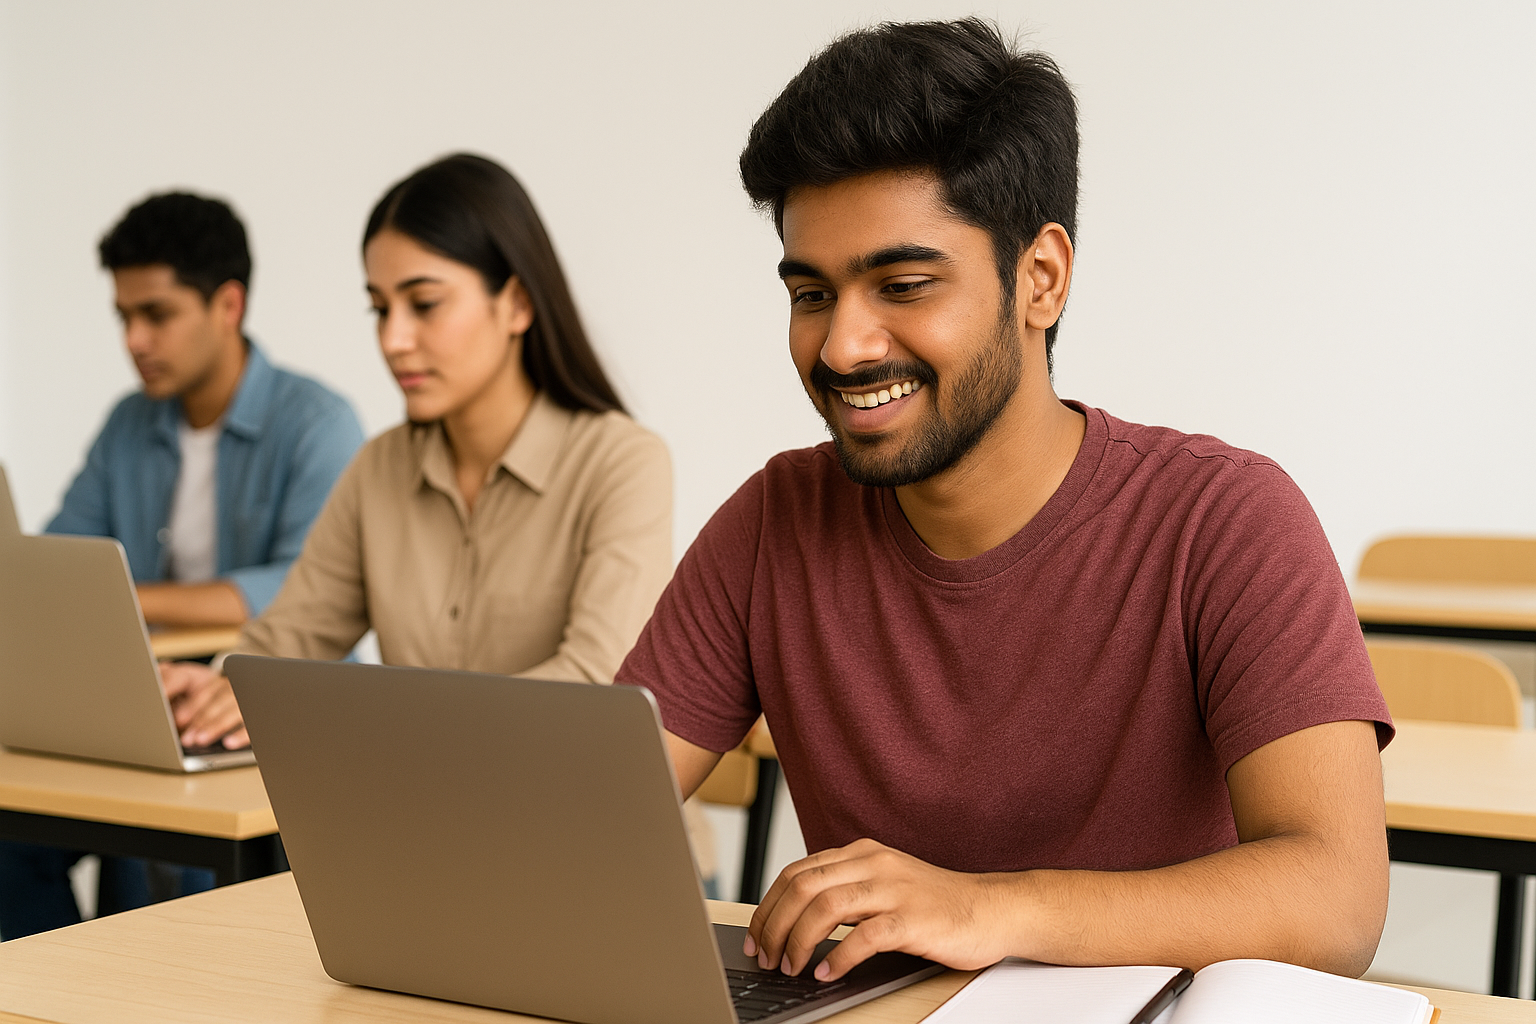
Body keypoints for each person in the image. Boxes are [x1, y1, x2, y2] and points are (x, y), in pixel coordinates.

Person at [617, 18, 1392, 983]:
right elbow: (592, 823)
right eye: (811, 294)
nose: (843, 347)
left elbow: (1340, 898)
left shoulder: (1226, 519)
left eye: (902, 285)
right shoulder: (776, 520)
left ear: (1041, 279)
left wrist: (989, 908)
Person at [159, 154, 713, 885]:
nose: (393, 339)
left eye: (423, 304)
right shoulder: (381, 467)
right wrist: (223, 687)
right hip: (430, 855)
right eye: (379, 308)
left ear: (515, 304)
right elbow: (287, 643)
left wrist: (372, 726)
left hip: (600, 862)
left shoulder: (622, 461)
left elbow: (591, 694)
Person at [0, 191, 364, 940]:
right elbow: (60, 563)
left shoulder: (317, 423)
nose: (135, 339)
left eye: (157, 314)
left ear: (227, 305)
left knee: (157, 871)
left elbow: (302, 591)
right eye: (124, 317)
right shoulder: (129, 424)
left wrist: (132, 594)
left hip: (263, 702)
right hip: (139, 694)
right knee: (13, 843)